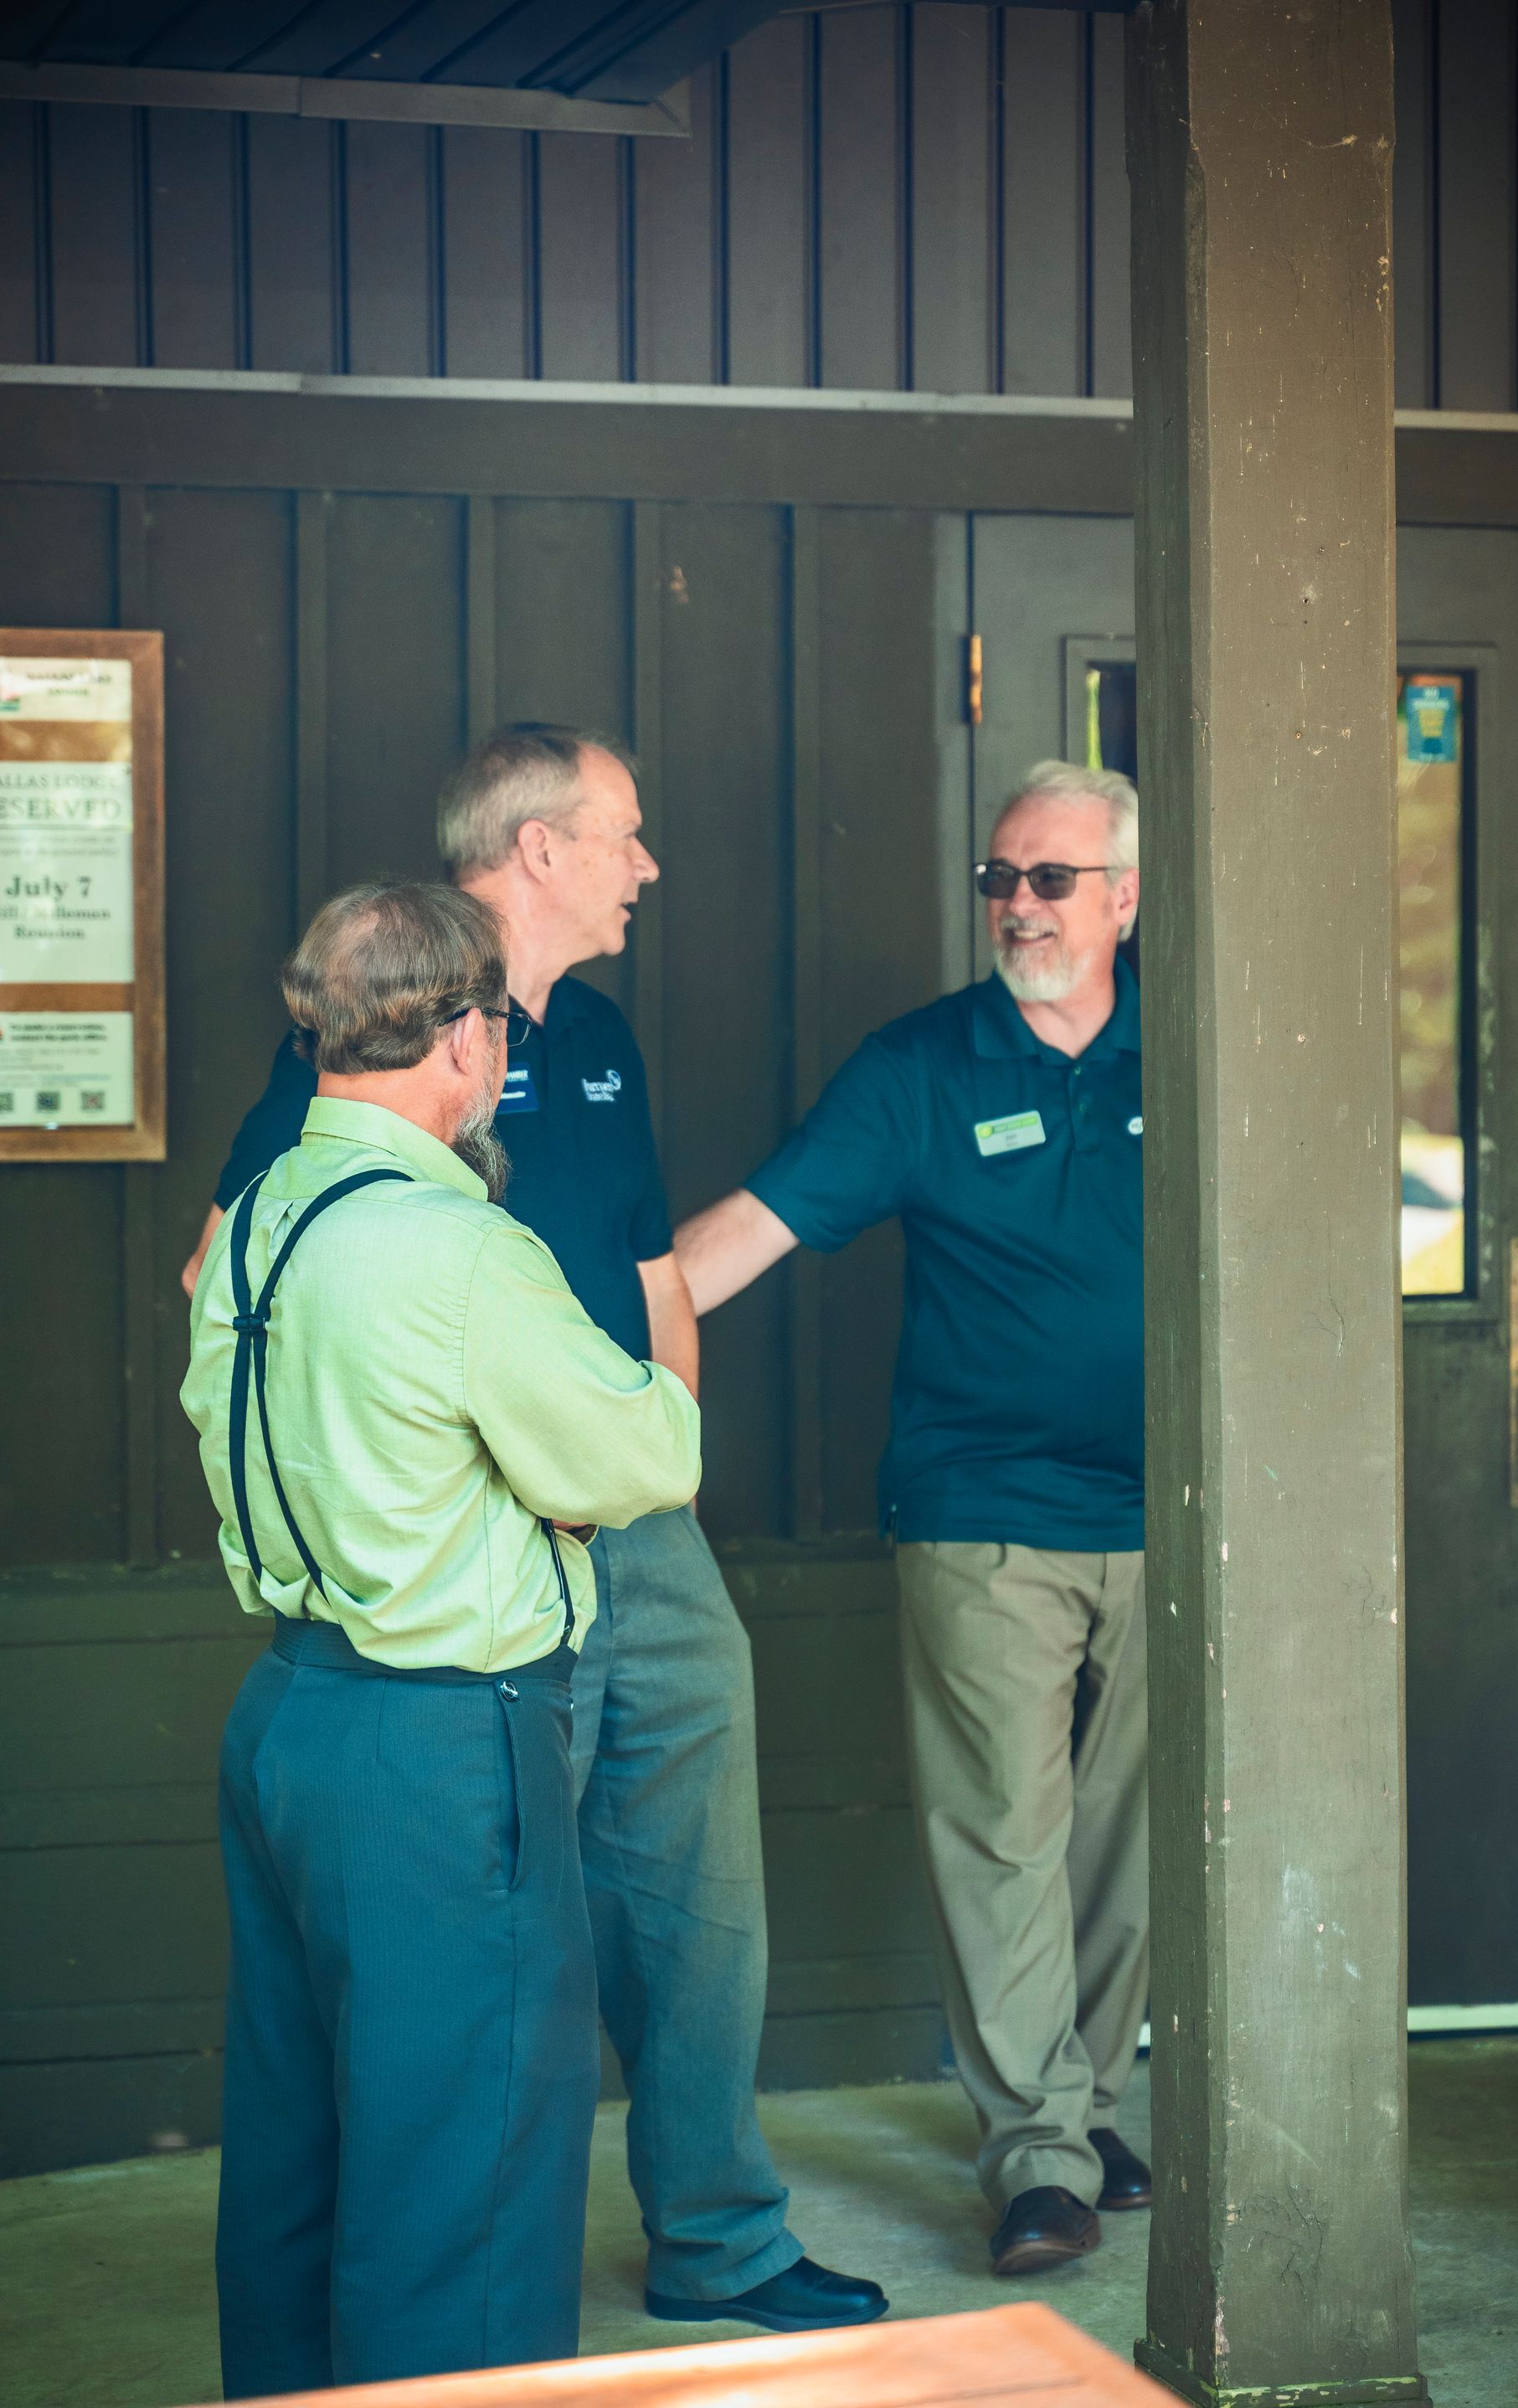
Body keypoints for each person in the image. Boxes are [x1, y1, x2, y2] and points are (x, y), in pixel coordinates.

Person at [180, 726, 885, 2337]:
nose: (648, 865)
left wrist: (655, 1472)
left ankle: (718, 2234)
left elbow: (651, 1276)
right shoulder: (378, 1050)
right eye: (626, 832)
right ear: (538, 849)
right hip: (472, 1573)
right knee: (480, 1983)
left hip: (619, 1525)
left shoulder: (600, 1038)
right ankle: (472, 2298)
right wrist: (484, 1464)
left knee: (691, 1903)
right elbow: (241, 1281)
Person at [182, 881, 702, 2394]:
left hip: (288, 1720)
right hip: (443, 1743)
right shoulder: (462, 1247)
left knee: (296, 2162)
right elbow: (649, 1455)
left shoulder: (258, 1219)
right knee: (464, 2188)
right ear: (467, 1038)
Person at [676, 762, 1152, 2279]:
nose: (1018, 905)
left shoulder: (1192, 1045)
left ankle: (1082, 2108)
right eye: (1000, 878)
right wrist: (585, 1334)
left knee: (1128, 1849)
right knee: (1004, 1835)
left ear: (1125, 898)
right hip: (983, 1510)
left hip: (1171, 1517)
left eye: (1051, 880)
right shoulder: (922, 1068)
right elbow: (744, 1234)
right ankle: (1040, 2160)